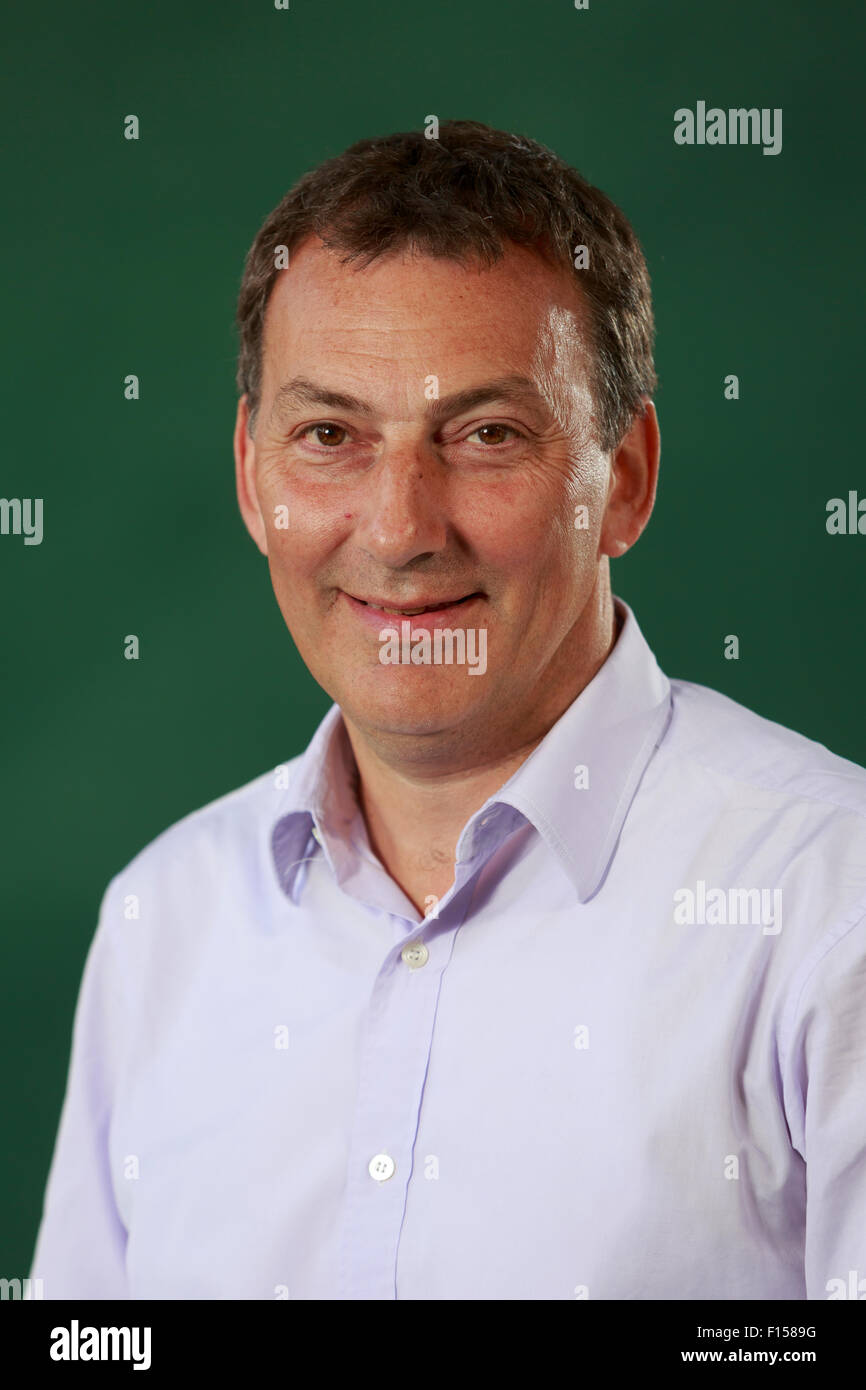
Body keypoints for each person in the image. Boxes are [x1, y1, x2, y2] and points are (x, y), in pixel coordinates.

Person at [31, 120, 866, 1300]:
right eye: (329, 436)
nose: (399, 529)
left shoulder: (831, 913)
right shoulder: (160, 927)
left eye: (485, 436)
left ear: (620, 478)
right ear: (249, 475)